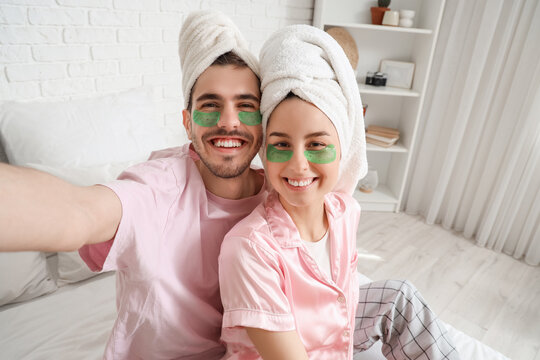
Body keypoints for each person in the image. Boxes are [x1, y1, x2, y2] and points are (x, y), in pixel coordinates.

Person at [0, 10, 266, 360]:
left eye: (245, 106)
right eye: (209, 105)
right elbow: (80, 212)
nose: (228, 121)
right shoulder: (156, 188)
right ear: (187, 123)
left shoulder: (280, 195)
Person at [218, 25, 460, 360]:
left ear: (342, 145)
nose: (298, 164)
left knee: (400, 295)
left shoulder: (345, 211)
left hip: (330, 337)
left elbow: (344, 297)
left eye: (316, 144)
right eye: (281, 144)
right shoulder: (247, 249)